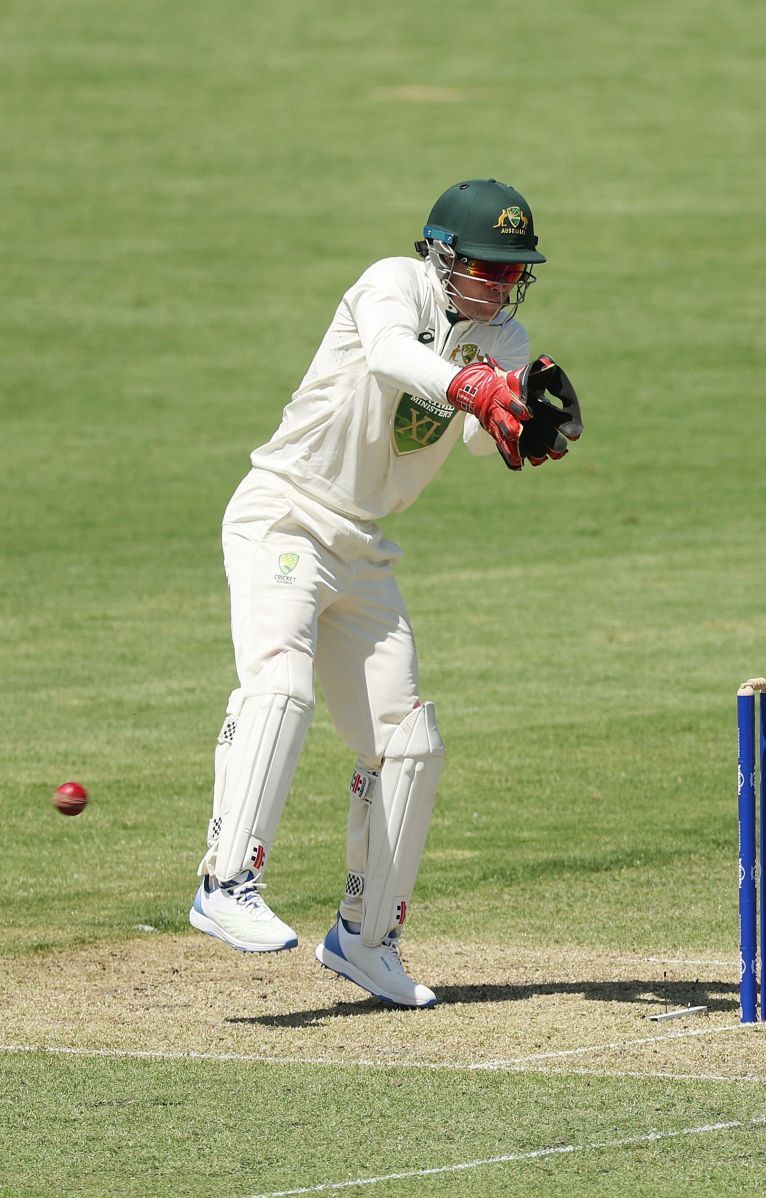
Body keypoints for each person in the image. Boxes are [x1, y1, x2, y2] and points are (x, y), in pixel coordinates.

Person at [189, 179, 582, 1008]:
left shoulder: (506, 334)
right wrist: (474, 387)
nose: (503, 285)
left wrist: (519, 422)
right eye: (488, 267)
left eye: (516, 272)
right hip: (285, 518)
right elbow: (393, 358)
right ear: (444, 254)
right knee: (282, 684)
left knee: (408, 740)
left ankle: (364, 939)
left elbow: (478, 440)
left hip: (364, 549)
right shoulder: (390, 284)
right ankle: (226, 881)